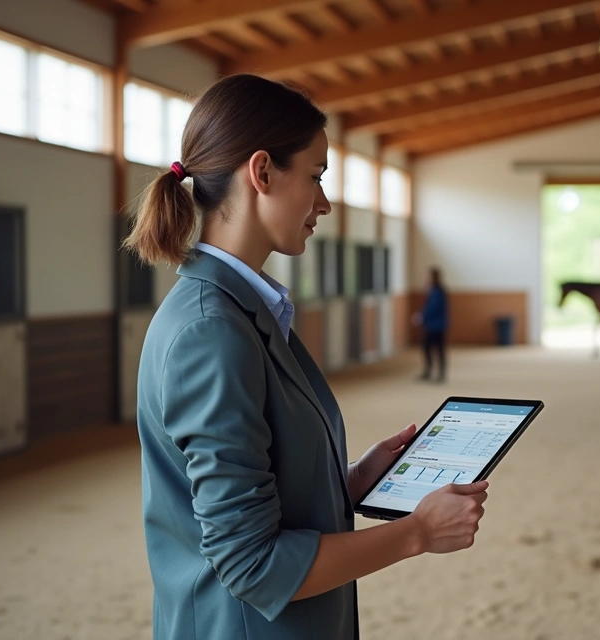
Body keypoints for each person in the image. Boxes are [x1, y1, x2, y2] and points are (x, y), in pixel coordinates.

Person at [124, 74, 489, 640]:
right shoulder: (211, 330)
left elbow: (252, 499)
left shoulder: (242, 309)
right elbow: (253, 565)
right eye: (316, 176)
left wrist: (351, 482)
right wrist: (416, 533)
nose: (325, 202)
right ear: (262, 171)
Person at [413, 267, 448, 382]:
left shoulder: (437, 291)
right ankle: (431, 371)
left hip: (435, 325)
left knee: (435, 349)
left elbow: (432, 308)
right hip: (435, 325)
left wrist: (421, 316)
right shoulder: (434, 290)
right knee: (433, 349)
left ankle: (437, 373)